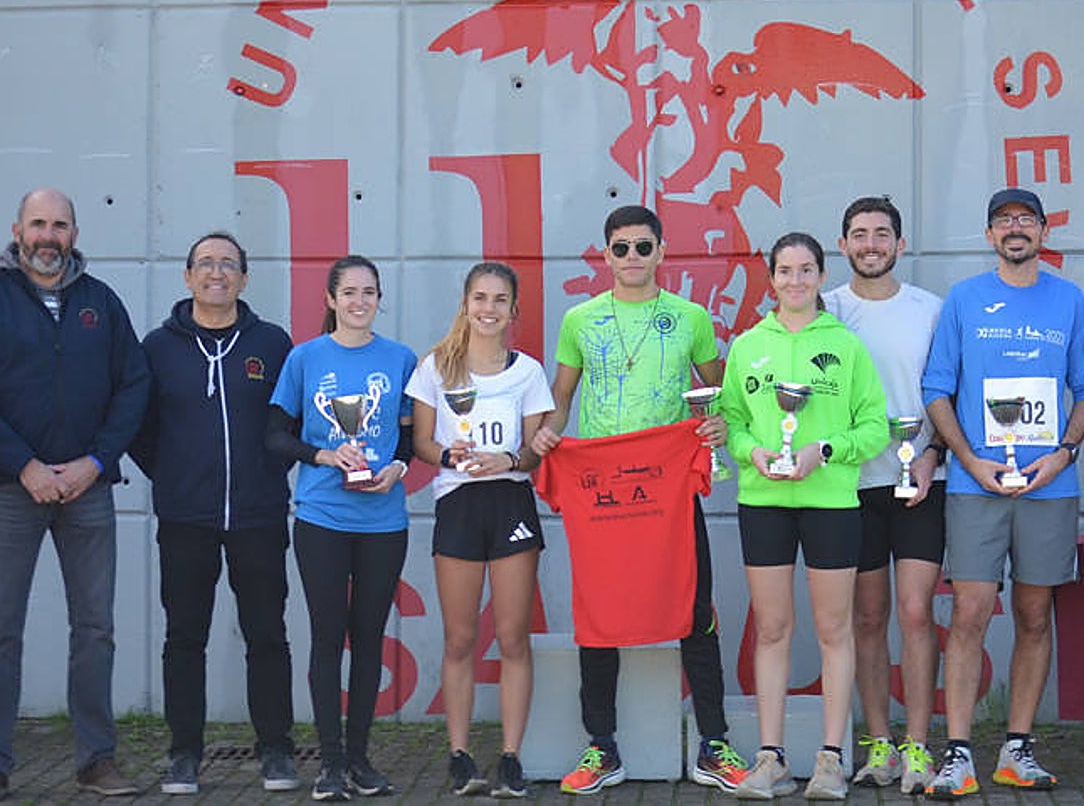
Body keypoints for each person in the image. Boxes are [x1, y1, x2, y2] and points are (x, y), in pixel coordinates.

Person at [529, 205, 748, 796]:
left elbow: (717, 392)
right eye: (621, 248)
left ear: (661, 252)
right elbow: (562, 396)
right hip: (603, 493)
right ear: (605, 255)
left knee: (694, 609)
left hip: (669, 488)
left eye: (642, 247)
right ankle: (602, 748)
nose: (632, 258)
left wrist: (718, 426)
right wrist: (548, 434)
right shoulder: (580, 319)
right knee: (598, 619)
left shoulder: (691, 317)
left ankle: (714, 744)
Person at [921, 188, 1084, 800]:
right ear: (989, 235)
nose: (1015, 229)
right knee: (968, 613)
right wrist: (967, 459)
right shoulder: (965, 299)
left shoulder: (1069, 299)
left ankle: (1017, 749)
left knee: (1033, 614)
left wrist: (1063, 453)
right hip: (976, 484)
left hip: (1049, 485)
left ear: (1044, 231)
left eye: (1026, 220)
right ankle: (959, 753)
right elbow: (937, 388)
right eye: (1003, 221)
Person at [130, 232, 299, 795]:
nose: (218, 272)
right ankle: (184, 754)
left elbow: (293, 423)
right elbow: (139, 425)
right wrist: (174, 475)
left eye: (229, 263)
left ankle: (276, 750)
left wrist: (267, 477)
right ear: (188, 276)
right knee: (184, 638)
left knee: (267, 635)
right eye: (206, 263)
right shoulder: (158, 346)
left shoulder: (273, 344)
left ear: (245, 279)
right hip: (185, 518)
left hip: (258, 514)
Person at [722, 232, 888, 800]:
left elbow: (873, 425)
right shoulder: (748, 345)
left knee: (833, 630)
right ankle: (771, 759)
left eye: (806, 270)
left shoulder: (845, 345)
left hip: (831, 502)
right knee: (771, 629)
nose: (795, 281)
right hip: (764, 501)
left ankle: (831, 758)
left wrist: (825, 452)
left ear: (822, 276)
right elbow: (733, 422)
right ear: (771, 279)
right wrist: (755, 453)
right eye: (785, 271)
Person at [0, 188, 149, 798]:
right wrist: (23, 465)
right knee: (3, 629)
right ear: (17, 229)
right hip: (12, 490)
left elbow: (133, 388)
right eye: (38, 224)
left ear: (75, 232)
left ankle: (96, 761)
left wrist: (96, 460)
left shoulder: (101, 303)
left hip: (87, 489)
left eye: (60, 225)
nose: (48, 236)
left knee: (95, 626)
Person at [267, 255, 417, 802]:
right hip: (321, 518)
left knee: (370, 637)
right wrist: (326, 454)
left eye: (369, 292)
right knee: (329, 637)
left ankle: (359, 760)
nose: (359, 301)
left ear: (379, 299)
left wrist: (396, 468)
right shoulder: (304, 359)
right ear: (331, 300)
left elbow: (407, 438)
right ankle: (329, 765)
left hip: (384, 520)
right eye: (349, 292)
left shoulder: (400, 359)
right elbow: (275, 437)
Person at [407, 262, 553, 799]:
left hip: (510, 500)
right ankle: (460, 754)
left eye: (498, 300)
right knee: (460, 636)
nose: (488, 309)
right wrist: (450, 453)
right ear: (465, 303)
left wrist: (509, 459)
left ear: (513, 311)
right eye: (479, 298)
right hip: (458, 503)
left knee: (513, 635)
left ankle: (512, 756)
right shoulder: (435, 367)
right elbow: (422, 442)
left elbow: (535, 454)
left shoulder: (528, 373)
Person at [825, 197, 946, 795]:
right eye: (859, 234)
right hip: (849, 487)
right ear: (842, 244)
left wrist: (933, 455)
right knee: (867, 619)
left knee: (917, 614)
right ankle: (879, 744)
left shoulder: (930, 310)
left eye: (881, 234)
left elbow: (952, 393)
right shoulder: (823, 312)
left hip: (922, 483)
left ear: (899, 243)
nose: (870, 243)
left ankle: (920, 747)